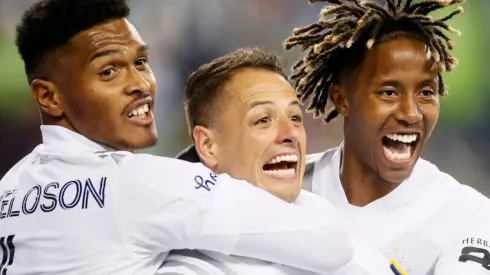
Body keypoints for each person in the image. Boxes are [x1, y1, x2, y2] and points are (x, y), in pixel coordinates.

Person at [0, 1, 358, 274]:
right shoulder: (145, 185)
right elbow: (331, 243)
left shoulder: (9, 189)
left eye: (140, 62)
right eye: (108, 71)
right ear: (49, 96)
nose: (140, 85)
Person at [284, 0, 490, 274]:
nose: (411, 113)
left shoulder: (468, 216)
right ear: (342, 99)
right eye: (389, 92)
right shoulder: (283, 191)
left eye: (426, 92)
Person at [165, 47, 394, 275]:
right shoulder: (188, 269)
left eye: (295, 118)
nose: (291, 133)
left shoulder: (358, 252)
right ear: (208, 146)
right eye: (263, 119)